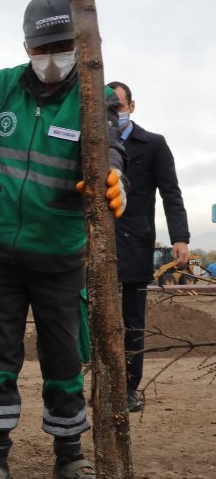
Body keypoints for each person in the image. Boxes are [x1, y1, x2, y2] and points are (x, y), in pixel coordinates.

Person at [0, 0, 128, 479]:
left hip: (61, 256)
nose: (51, 59)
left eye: (62, 46)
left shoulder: (95, 94)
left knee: (65, 358)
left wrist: (115, 177)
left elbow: (111, 150)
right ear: (25, 46)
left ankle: (69, 455)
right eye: (40, 49)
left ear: (79, 43)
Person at [107, 81, 189, 413]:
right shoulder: (93, 144)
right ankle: (101, 384)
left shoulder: (153, 144)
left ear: (132, 106)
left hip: (135, 245)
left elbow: (171, 192)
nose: (116, 113)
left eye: (120, 106)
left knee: (132, 323)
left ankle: (128, 388)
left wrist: (180, 238)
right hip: (95, 249)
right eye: (109, 108)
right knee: (95, 321)